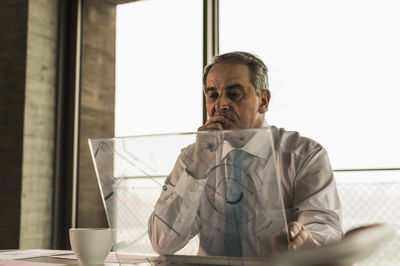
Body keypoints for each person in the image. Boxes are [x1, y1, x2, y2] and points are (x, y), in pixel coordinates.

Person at [148, 51, 342, 257]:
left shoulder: (304, 156)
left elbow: (326, 234)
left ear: (263, 101)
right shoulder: (193, 157)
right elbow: (162, 243)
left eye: (233, 94)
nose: (220, 105)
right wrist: (197, 170)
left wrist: (305, 242)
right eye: (212, 95)